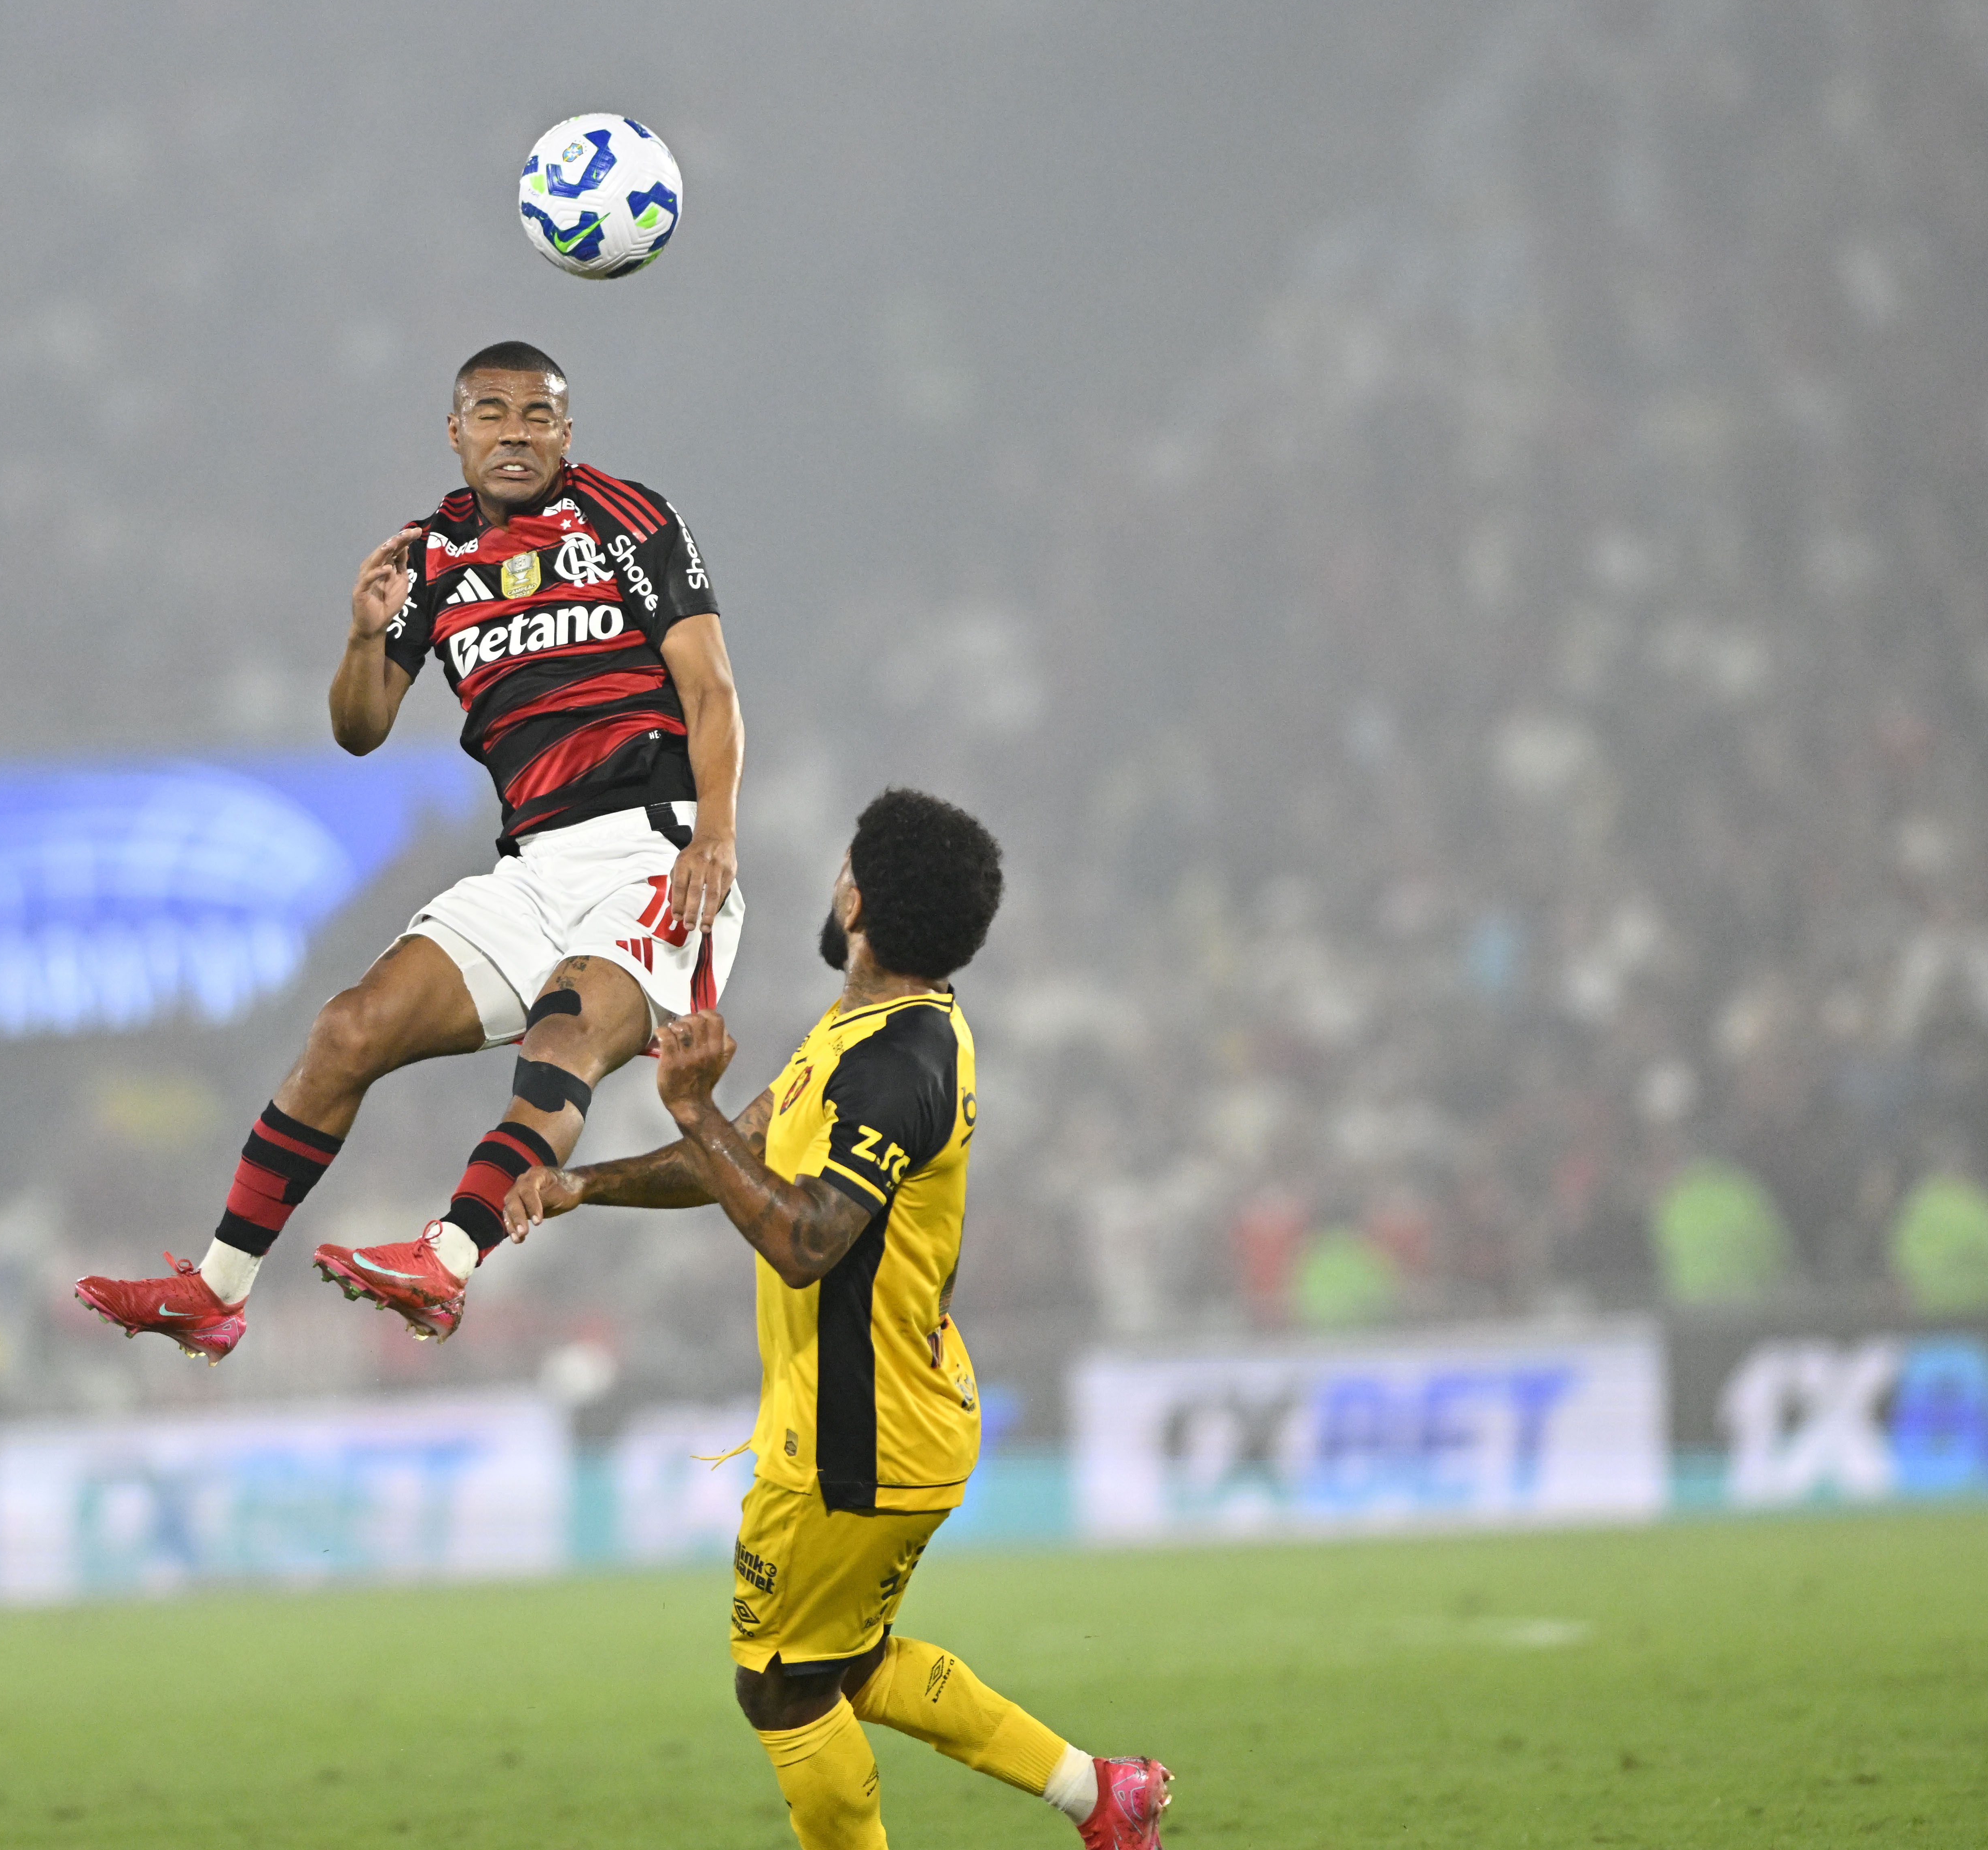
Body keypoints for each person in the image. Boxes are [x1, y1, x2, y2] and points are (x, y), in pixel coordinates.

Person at [502, 790, 1170, 1850]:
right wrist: (586, 1184)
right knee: (845, 1659)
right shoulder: (870, 1029)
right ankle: (1102, 1795)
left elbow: (807, 1241)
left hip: (855, 1443)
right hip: (895, 1410)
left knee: (780, 1690)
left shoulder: (897, 1065)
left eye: (843, 865)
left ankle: (1093, 1798)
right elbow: (741, 1159)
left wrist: (692, 1108)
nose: (833, 879)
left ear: (858, 897)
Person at [74, 341, 745, 1357]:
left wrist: (719, 829)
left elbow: (711, 690)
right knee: (349, 1028)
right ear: (455, 430)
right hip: (533, 864)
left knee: (563, 1032)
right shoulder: (428, 556)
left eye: (537, 414)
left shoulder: (631, 517)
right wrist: (361, 635)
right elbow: (360, 728)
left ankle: (448, 1259)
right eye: (491, 412)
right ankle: (214, 1293)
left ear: (568, 432)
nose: (514, 431)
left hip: (653, 848)